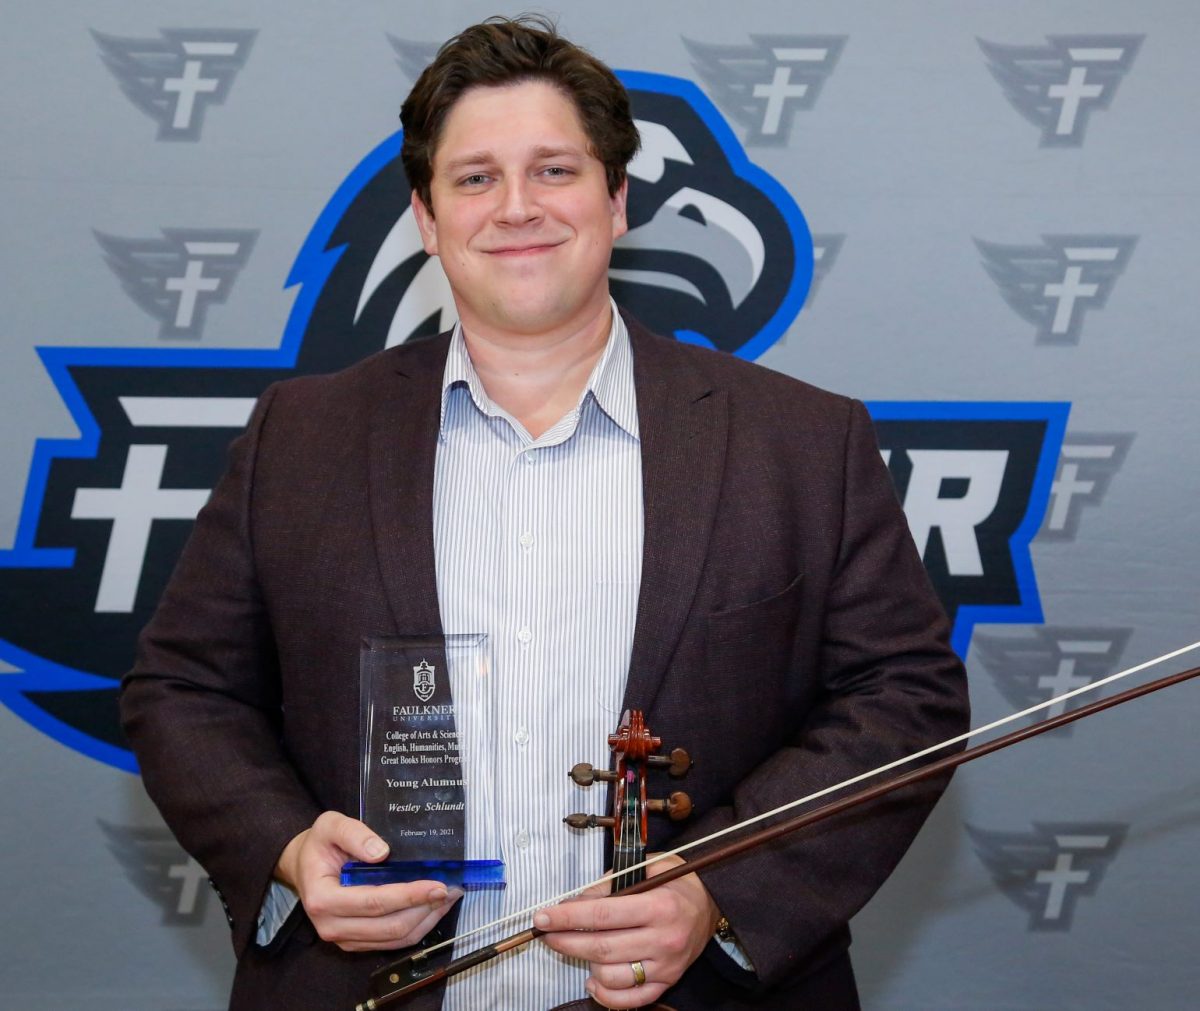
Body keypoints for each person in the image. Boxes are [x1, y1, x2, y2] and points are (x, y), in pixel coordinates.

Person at [121, 15, 969, 1011]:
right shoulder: (296, 437)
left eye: (555, 172)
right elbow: (182, 689)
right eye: (475, 178)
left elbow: (902, 696)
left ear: (617, 201)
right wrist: (290, 848)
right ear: (427, 219)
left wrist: (721, 892)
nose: (516, 208)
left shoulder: (801, 441)